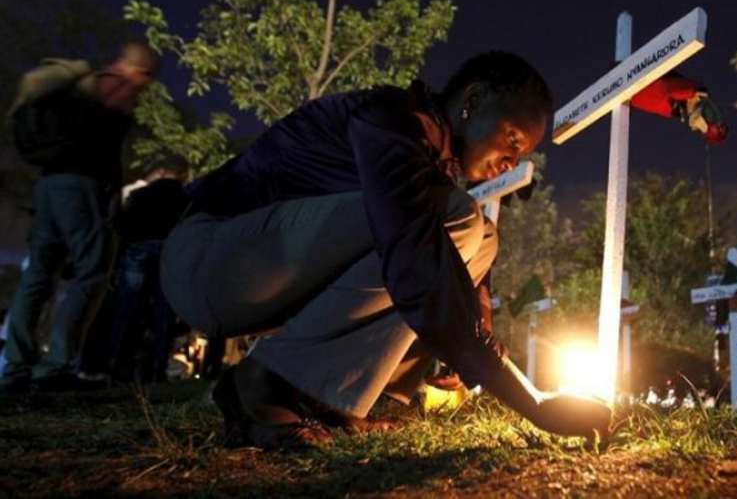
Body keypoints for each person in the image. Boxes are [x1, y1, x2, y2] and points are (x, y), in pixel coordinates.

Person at [161, 51, 610, 449]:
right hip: (209, 260)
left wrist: (467, 331)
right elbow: (415, 263)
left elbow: (448, 276)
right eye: (514, 140)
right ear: (472, 102)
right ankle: (260, 384)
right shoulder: (391, 120)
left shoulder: (433, 164)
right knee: (451, 218)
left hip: (254, 271)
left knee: (481, 235)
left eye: (523, 153)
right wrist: (533, 403)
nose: (513, 163)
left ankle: (333, 398)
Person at [0, 43, 157, 393]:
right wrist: (111, 199)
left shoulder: (82, 81)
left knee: (39, 273)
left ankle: (16, 368)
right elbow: (105, 149)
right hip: (82, 185)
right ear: (141, 72)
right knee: (92, 273)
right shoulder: (119, 87)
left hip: (50, 183)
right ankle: (55, 365)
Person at [77, 158, 190, 384]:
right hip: (169, 252)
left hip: (138, 249)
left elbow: (122, 226)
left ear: (161, 171)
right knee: (164, 310)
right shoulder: (188, 199)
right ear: (184, 174)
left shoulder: (140, 195)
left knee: (126, 306)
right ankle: (159, 364)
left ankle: (115, 360)